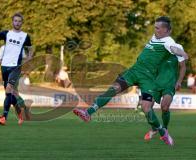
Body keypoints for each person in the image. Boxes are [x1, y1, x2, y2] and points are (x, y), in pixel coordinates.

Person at [73, 16, 188, 146]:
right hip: (134, 71)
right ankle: (88, 113)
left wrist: (182, 53)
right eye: (154, 27)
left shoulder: (168, 41)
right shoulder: (156, 37)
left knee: (146, 108)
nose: (155, 30)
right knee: (114, 88)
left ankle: (162, 131)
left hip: (148, 79)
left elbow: (173, 48)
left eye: (158, 28)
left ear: (167, 30)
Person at [0, 12, 34, 125]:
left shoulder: (25, 36)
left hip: (15, 67)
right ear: (12, 22)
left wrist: (28, 61)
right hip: (4, 67)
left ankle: (3, 117)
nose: (17, 23)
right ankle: (21, 112)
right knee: (9, 94)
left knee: (9, 89)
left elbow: (31, 49)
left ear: (22, 23)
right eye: (15, 21)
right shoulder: (6, 33)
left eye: (19, 21)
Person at [144, 43, 186, 141]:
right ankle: (154, 128)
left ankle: (165, 130)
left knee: (165, 107)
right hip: (155, 84)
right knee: (146, 105)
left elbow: (183, 67)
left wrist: (179, 82)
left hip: (169, 84)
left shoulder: (177, 48)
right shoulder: (157, 48)